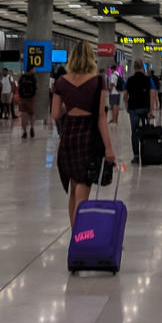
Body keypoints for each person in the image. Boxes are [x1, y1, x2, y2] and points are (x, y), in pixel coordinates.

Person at [51, 40, 116, 228]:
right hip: (88, 137)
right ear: (91, 58)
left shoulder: (61, 82)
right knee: (83, 192)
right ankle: (79, 237)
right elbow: (101, 117)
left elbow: (55, 114)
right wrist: (109, 148)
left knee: (73, 190)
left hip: (68, 136)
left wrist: (68, 104)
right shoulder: (97, 82)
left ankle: (75, 236)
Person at [125, 60, 157, 163]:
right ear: (143, 67)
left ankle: (136, 156)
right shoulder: (149, 80)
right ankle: (146, 153)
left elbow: (125, 96)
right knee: (145, 130)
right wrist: (151, 110)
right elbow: (152, 96)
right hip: (145, 108)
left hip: (133, 108)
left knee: (134, 132)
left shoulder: (129, 80)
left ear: (134, 67)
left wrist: (127, 107)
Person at [17, 67, 38, 138]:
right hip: (31, 98)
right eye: (34, 69)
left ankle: (24, 132)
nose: (35, 70)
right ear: (31, 69)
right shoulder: (33, 77)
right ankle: (32, 127)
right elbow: (36, 87)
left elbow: (19, 86)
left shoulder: (22, 77)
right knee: (31, 114)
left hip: (23, 98)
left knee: (23, 115)